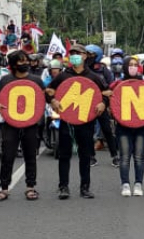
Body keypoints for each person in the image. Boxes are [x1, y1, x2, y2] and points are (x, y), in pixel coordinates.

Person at [45, 42, 109, 199]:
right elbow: (49, 91)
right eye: (72, 53)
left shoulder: (94, 77)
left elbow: (106, 93)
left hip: (86, 122)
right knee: (64, 155)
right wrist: (52, 100)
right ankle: (63, 187)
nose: (75, 56)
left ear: (85, 56)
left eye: (78, 53)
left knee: (85, 155)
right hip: (66, 122)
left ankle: (85, 187)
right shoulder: (63, 75)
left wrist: (103, 103)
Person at [0, 50, 44, 201]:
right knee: (8, 155)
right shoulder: (5, 80)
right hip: (10, 123)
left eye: (26, 61)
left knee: (30, 156)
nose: (25, 64)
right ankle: (4, 188)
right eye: (21, 61)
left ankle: (30, 187)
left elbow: (41, 100)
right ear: (13, 64)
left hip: (31, 123)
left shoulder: (36, 80)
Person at [114, 56, 144, 197]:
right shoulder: (118, 84)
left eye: (135, 65)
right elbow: (110, 98)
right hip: (123, 126)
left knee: (139, 156)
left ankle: (138, 184)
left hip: (141, 126)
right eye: (130, 64)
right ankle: (125, 184)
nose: (133, 67)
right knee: (124, 157)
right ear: (125, 67)